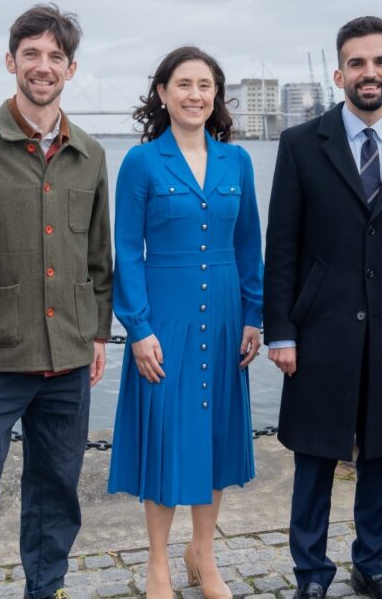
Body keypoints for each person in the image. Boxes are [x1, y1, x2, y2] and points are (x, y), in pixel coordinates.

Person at [0, 4, 113, 599]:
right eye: (31, 53)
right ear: (11, 62)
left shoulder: (91, 154)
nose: (43, 65)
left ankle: (46, 588)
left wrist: (99, 335)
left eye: (55, 56)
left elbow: (97, 260)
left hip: (68, 359)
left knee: (56, 490)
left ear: (72, 68)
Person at [264, 16, 382, 599]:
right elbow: (282, 245)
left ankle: (373, 563)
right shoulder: (300, 144)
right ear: (340, 73)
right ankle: (311, 572)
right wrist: (281, 331)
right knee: (315, 458)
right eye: (358, 63)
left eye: (380, 61)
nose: (370, 73)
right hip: (320, 329)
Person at [108, 46, 263, 599]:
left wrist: (254, 315)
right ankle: (157, 565)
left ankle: (205, 556)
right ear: (162, 93)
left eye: (205, 85)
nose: (194, 95)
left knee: (216, 435)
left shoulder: (236, 162)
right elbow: (126, 250)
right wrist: (139, 327)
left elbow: (249, 244)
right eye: (183, 84)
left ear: (216, 95)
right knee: (167, 435)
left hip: (224, 316)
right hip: (164, 318)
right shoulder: (141, 163)